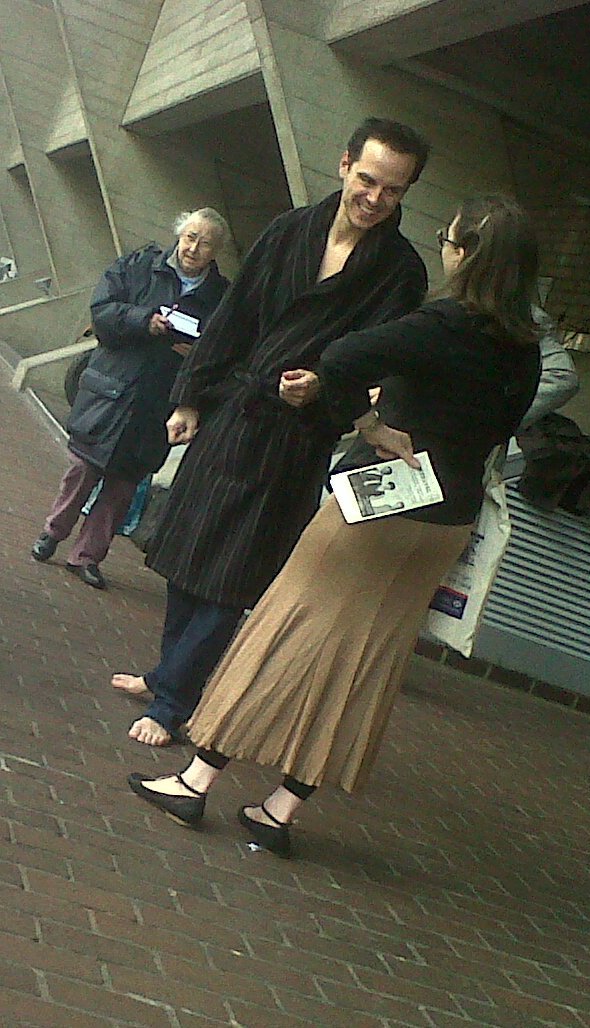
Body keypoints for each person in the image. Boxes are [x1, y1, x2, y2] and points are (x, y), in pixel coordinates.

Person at [126, 193, 542, 859]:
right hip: (448, 519)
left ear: (466, 255)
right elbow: (496, 427)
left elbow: (343, 357)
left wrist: (372, 422)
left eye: (449, 240)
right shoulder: (525, 350)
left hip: (381, 503)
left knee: (281, 633)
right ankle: (279, 810)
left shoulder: (442, 322)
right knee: (364, 665)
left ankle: (195, 780)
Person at [112, 118, 431, 747]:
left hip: (296, 438)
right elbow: (234, 316)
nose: (374, 199)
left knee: (232, 575)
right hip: (235, 410)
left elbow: (374, 358)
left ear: (405, 193)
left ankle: (175, 701)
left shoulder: (401, 272)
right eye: (367, 180)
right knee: (185, 554)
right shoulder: (290, 230)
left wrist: (323, 386)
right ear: (344, 165)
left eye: (392, 190)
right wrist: (190, 396)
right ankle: (167, 674)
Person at [30, 209, 230, 590]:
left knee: (122, 488)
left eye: (205, 243)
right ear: (179, 234)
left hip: (157, 407)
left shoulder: (220, 297)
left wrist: (197, 354)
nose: (193, 248)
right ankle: (52, 533)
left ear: (216, 251)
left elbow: (224, 351)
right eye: (190, 237)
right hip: (111, 392)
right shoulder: (139, 266)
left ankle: (87, 557)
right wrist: (144, 321)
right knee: (81, 471)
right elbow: (101, 312)